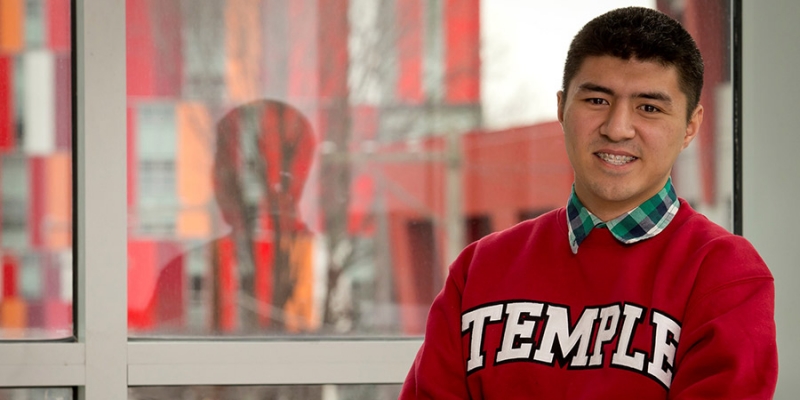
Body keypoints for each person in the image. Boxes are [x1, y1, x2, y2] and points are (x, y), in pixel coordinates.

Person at [399, 6, 777, 399]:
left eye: (649, 107)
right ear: (562, 106)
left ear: (690, 127)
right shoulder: (478, 271)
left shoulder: (725, 275)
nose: (617, 128)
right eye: (597, 100)